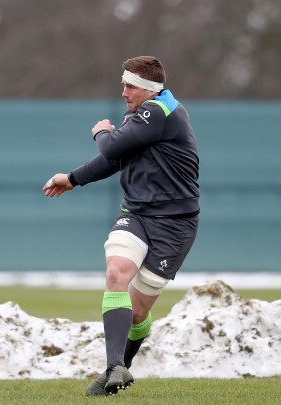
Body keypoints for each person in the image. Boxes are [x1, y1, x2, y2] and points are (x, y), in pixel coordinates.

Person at [43, 56, 199, 396]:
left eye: (130, 86)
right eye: (123, 84)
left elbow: (111, 145)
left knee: (139, 310)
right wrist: (72, 179)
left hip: (175, 226)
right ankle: (115, 366)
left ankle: (117, 370)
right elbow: (115, 158)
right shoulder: (144, 114)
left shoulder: (158, 111)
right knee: (116, 273)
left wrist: (102, 131)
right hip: (136, 214)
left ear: (148, 89)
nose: (124, 91)